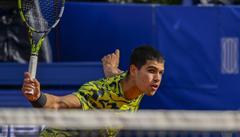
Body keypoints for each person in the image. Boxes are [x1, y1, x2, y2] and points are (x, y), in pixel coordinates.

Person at [22, 45, 165, 136]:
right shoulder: (98, 93)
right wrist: (37, 97)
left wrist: (109, 67)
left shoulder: (136, 83)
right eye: (152, 71)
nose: (157, 78)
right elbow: (58, 104)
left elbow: (116, 74)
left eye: (160, 72)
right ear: (134, 70)